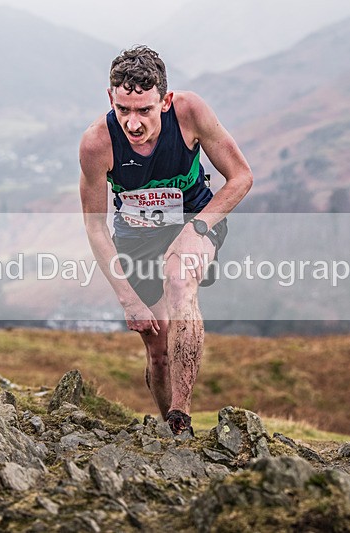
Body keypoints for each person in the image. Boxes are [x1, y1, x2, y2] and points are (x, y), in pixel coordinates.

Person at [79, 45, 252, 436]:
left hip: (197, 219)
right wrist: (128, 299)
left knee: (179, 280)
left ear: (166, 100)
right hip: (136, 236)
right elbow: (95, 227)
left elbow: (241, 176)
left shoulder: (190, 113)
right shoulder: (97, 143)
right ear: (110, 99)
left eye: (145, 110)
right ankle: (171, 431)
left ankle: (181, 415)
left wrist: (197, 229)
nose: (133, 123)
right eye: (123, 109)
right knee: (157, 350)